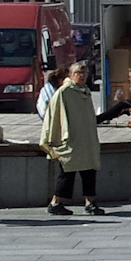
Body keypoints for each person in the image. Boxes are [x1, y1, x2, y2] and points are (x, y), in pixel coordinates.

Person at [41, 61, 105, 215]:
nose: (82, 76)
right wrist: (55, 138)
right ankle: (55, 203)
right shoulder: (65, 92)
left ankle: (90, 202)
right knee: (67, 172)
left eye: (84, 73)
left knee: (89, 171)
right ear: (71, 75)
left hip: (86, 140)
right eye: (78, 73)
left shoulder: (85, 92)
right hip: (71, 139)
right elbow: (55, 116)